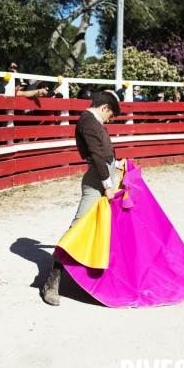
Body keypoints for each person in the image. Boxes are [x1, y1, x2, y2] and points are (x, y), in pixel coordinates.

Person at [42, 91, 122, 306]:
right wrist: (107, 185)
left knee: (103, 227)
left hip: (102, 178)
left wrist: (117, 164)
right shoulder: (88, 121)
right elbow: (96, 155)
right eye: (110, 115)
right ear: (105, 107)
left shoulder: (92, 121)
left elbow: (104, 154)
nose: (109, 119)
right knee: (78, 227)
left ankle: (93, 279)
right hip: (97, 182)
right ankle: (51, 282)